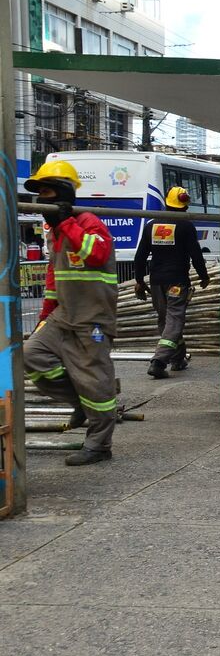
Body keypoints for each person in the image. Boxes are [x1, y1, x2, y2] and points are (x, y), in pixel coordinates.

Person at [22, 160, 119, 466]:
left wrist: (67, 224)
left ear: (63, 192)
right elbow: (55, 275)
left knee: (95, 380)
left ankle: (99, 445)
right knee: (31, 355)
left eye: (47, 191)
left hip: (93, 318)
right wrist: (45, 314)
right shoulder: (55, 231)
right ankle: (79, 401)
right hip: (63, 315)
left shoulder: (88, 221)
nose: (41, 199)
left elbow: (97, 253)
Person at [133, 186, 210, 379]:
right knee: (174, 320)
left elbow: (140, 255)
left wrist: (139, 280)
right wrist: (203, 275)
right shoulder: (185, 226)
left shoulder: (151, 225)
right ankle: (159, 362)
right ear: (184, 206)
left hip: (157, 281)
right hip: (177, 282)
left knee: (165, 320)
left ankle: (178, 358)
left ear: (167, 202)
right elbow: (196, 255)